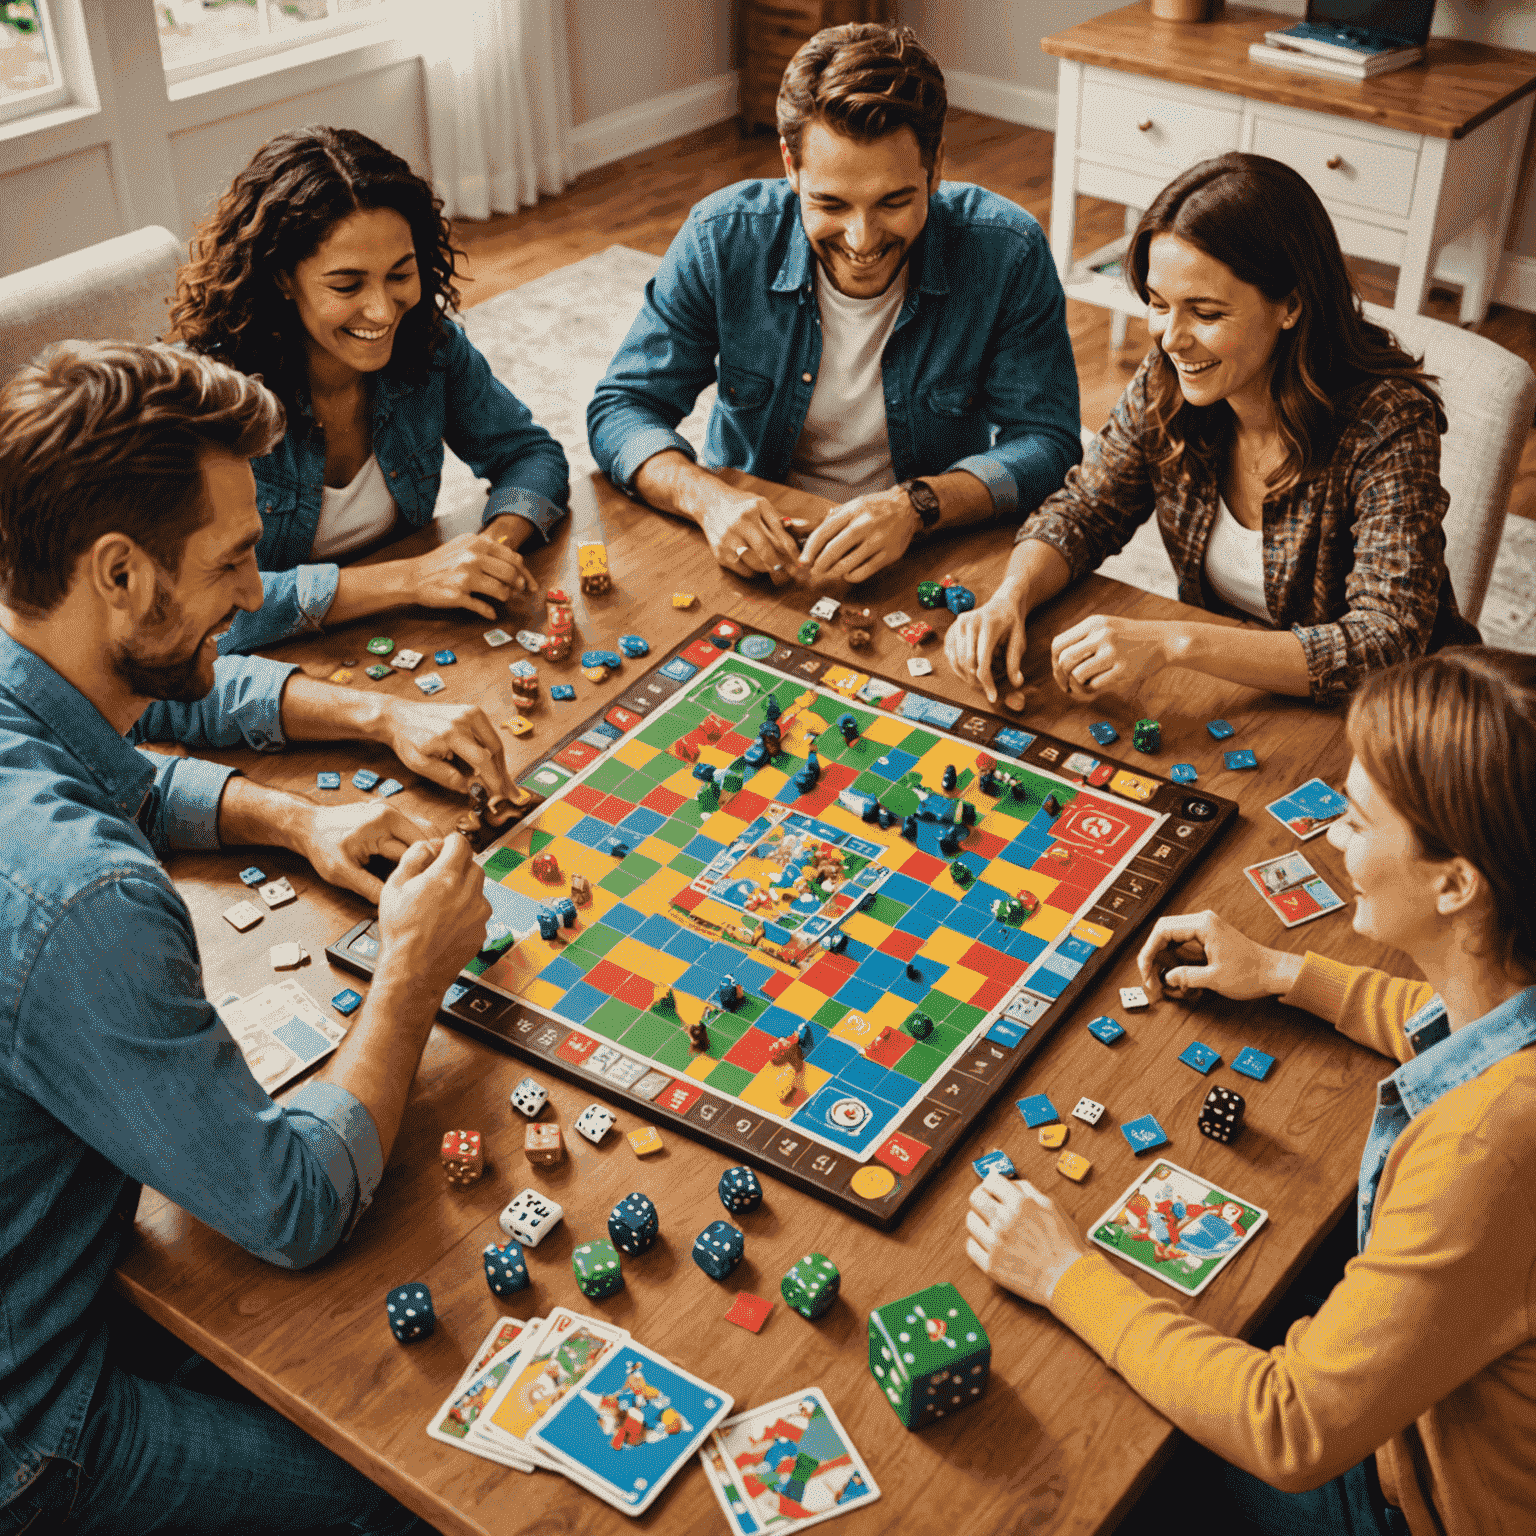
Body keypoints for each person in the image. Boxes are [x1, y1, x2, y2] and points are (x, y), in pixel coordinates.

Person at [0, 340, 494, 1535]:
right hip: (33, 1429)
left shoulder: (30, 680)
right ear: (120, 573)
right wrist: (411, 976)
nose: (258, 586)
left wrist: (294, 818)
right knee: (418, 1500)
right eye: (230, 558)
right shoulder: (85, 901)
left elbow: (104, 765)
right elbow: (290, 1205)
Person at [966, 647, 1536, 1536]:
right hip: (1433, 1410)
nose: (1336, 840)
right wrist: (1282, 971)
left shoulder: (1488, 1148)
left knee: (1089, 1470)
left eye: (1356, 820)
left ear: (1457, 882)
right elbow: (1460, 1029)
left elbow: (1292, 1426)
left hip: (1426, 1506)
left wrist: (1064, 1272)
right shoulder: (1512, 1001)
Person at [946, 152, 1480, 709]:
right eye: (1158, 304)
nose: (1171, 339)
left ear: (1291, 304)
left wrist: (1177, 641)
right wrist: (1010, 599)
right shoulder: (1167, 379)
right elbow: (1084, 511)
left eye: (1205, 313)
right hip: (1249, 695)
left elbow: (1387, 641)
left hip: (1406, 721)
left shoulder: (1389, 420)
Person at [586, 22, 1081, 586]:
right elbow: (622, 407)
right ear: (791, 166)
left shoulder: (1006, 250)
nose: (862, 238)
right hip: (761, 544)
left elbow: (1048, 442)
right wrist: (708, 498)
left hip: (927, 546)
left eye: (894, 201)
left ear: (936, 165)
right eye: (831, 204)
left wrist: (917, 506)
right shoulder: (722, 238)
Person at [170, 125, 569, 656]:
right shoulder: (204, 402)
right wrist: (410, 580)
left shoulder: (430, 345)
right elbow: (196, 611)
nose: (383, 311)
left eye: (401, 274)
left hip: (399, 636)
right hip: (269, 666)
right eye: (346, 285)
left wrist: (490, 551)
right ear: (282, 278)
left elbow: (530, 454)